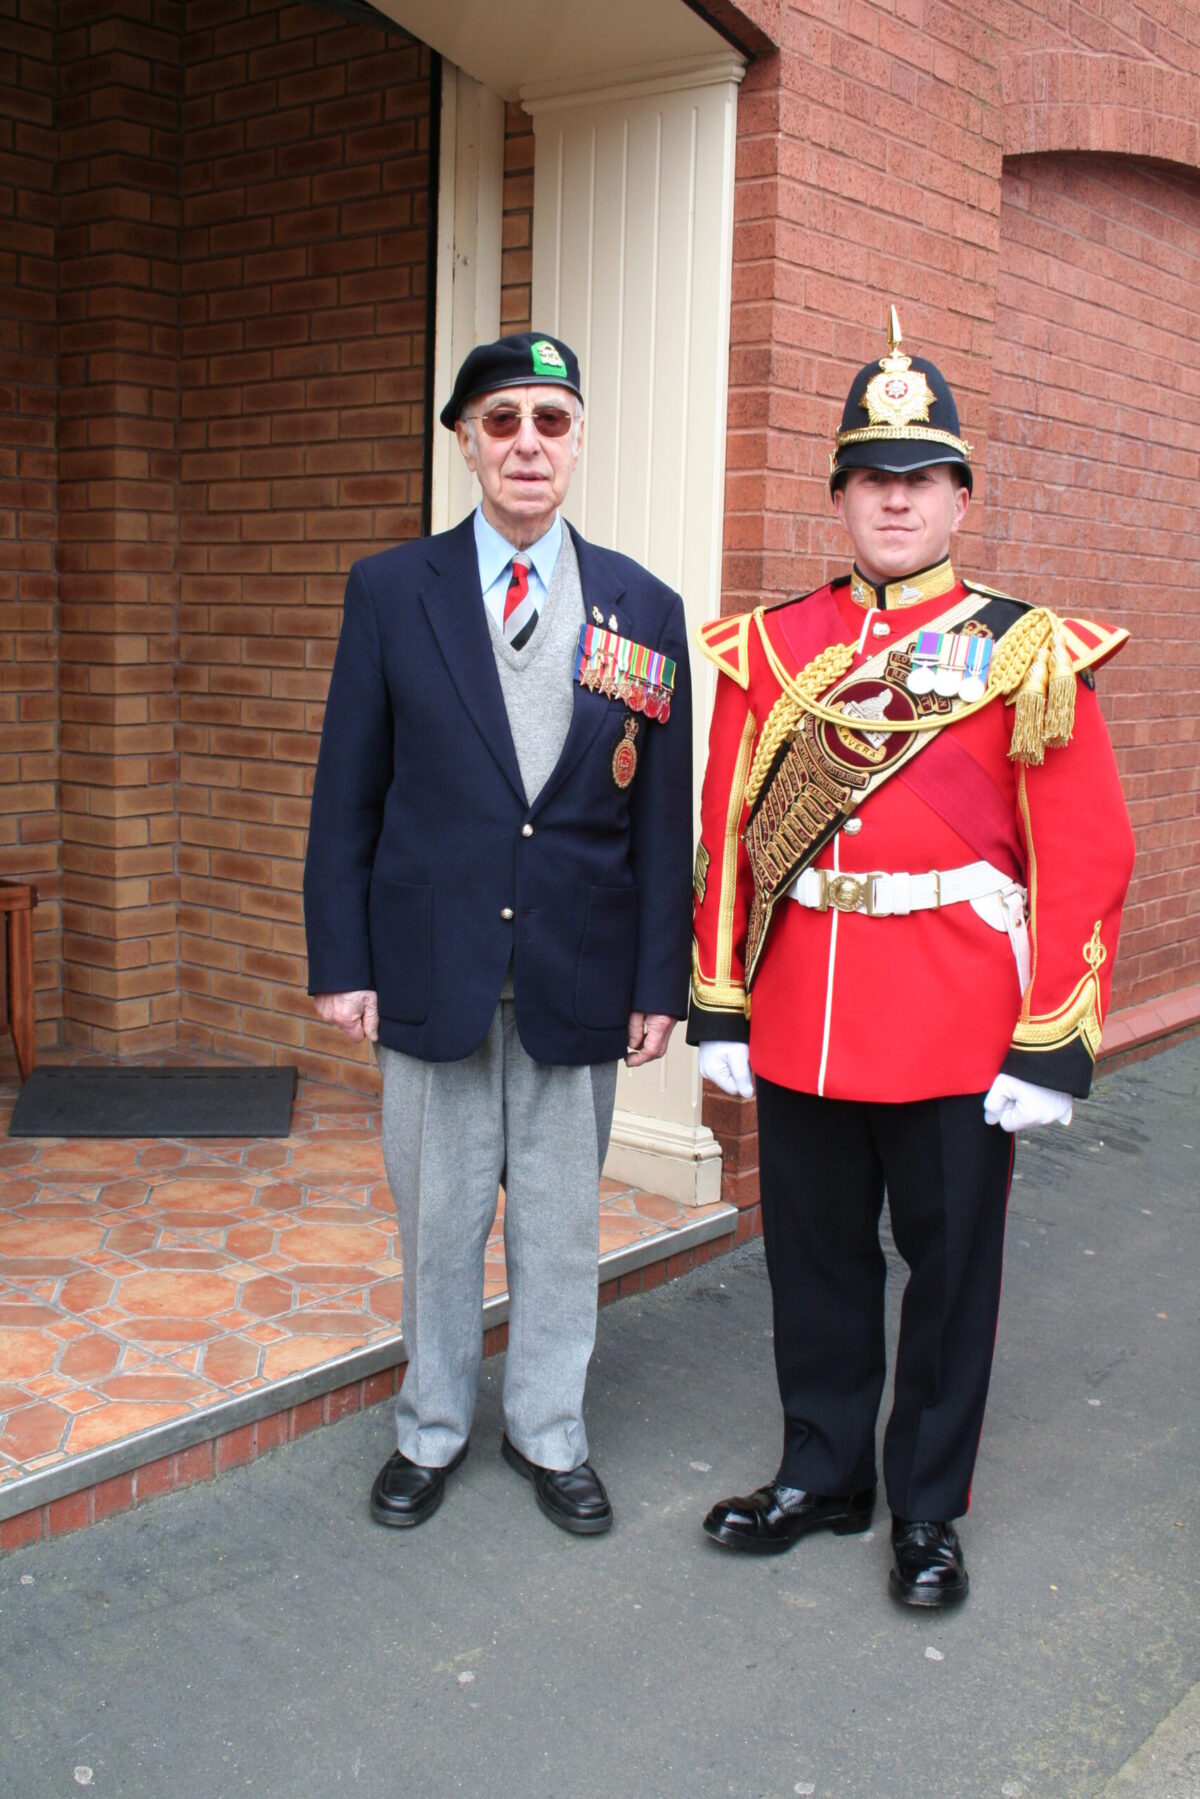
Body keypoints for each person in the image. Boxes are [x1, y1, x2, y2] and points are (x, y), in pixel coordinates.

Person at [687, 310, 1134, 1605]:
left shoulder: (1024, 651)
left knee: (950, 1280)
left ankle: (927, 1506)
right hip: (804, 1015)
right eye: (872, 476)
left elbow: (1084, 852)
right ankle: (823, 1471)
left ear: (959, 499)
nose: (896, 498)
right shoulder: (772, 648)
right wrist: (720, 998)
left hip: (956, 1024)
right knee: (813, 1262)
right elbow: (727, 837)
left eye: (921, 477)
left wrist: (1051, 1037)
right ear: (838, 495)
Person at [304, 331, 692, 1536]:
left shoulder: (643, 605)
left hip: (579, 967)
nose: (530, 443)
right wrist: (342, 962)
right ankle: (430, 1424)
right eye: (504, 420)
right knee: (439, 1220)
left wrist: (659, 980)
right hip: (431, 966)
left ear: (577, 443)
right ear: (467, 443)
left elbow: (660, 815)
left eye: (552, 421)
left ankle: (548, 1430)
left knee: (562, 1226)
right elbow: (347, 792)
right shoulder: (390, 590)